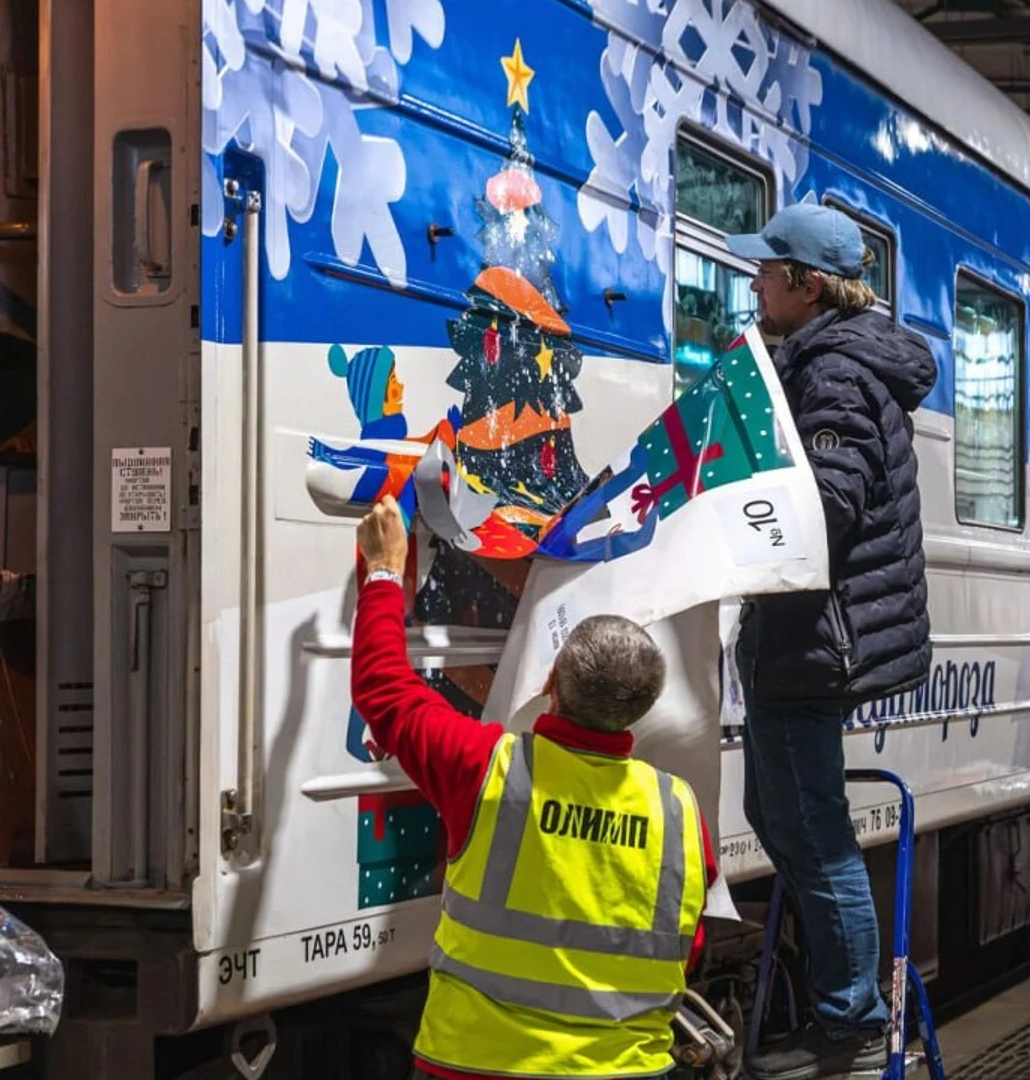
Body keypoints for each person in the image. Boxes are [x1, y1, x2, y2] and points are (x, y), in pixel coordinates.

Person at [349, 495, 717, 1080]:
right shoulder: (679, 814)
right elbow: (685, 947)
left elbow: (384, 691)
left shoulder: (485, 768)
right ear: (640, 709)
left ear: (551, 683)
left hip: (475, 1065)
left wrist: (385, 570)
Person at [722, 203, 938, 1080]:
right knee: (776, 816)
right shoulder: (819, 356)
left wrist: (730, 520)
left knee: (813, 830)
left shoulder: (834, 373)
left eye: (767, 272)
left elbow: (830, 504)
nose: (754, 282)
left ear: (807, 287)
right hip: (801, 638)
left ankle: (848, 1026)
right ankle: (838, 997)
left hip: (816, 639)